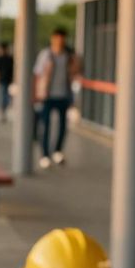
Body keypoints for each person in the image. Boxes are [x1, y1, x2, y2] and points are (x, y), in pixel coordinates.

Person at [34, 27, 81, 168]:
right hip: (47, 96)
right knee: (46, 125)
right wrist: (36, 94)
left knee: (63, 126)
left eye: (62, 38)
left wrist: (74, 60)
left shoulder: (68, 56)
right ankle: (45, 155)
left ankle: (58, 151)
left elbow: (76, 72)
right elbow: (37, 73)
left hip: (64, 95)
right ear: (53, 38)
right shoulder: (46, 55)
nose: (60, 41)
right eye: (58, 38)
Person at [0, 41, 15, 122]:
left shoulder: (8, 59)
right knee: (2, 97)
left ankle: (2, 112)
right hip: (1, 81)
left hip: (5, 80)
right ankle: (2, 112)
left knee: (4, 97)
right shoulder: (0, 59)